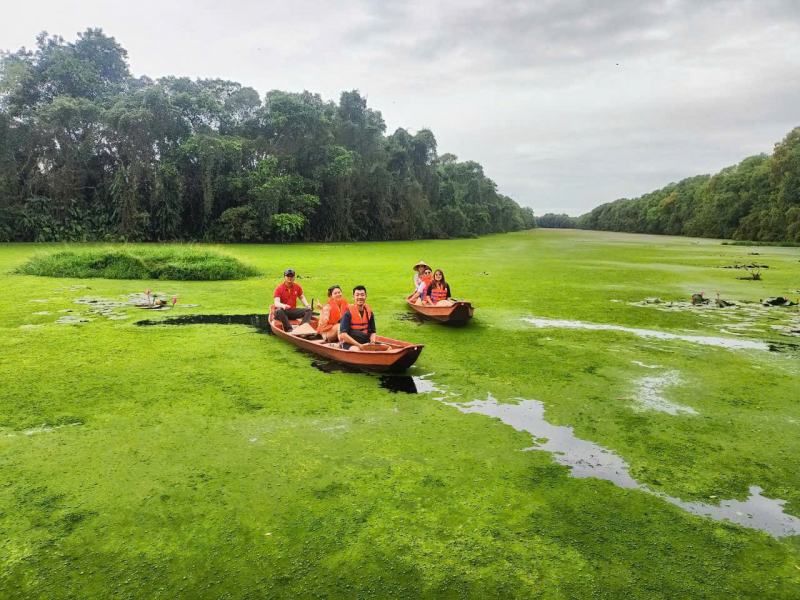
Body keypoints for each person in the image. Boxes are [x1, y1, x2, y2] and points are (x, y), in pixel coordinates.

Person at [273, 268, 312, 332]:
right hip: (282, 312)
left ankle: (303, 328)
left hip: (292, 311)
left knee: (308, 311)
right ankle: (289, 330)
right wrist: (284, 306)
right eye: (288, 276)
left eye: (291, 276)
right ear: (284, 277)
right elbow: (276, 303)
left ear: (294, 277)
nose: (290, 278)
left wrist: (307, 305)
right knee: (280, 310)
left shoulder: (297, 287)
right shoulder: (279, 288)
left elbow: (301, 297)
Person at [338, 285, 377, 351]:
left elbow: (373, 332)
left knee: (387, 348)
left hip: (365, 341)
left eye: (362, 295)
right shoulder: (348, 314)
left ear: (366, 296)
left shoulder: (369, 313)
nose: (360, 297)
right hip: (349, 343)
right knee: (357, 350)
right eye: (357, 295)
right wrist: (359, 345)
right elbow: (343, 334)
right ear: (353, 297)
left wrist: (372, 343)